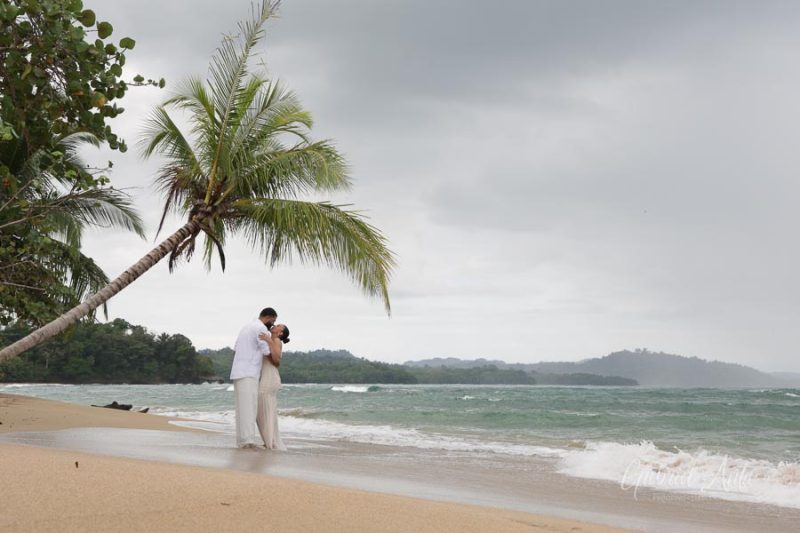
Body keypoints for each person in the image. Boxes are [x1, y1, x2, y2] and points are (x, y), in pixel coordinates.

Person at [229, 307, 277, 449]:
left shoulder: (246, 327)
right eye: (273, 321)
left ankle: (242, 440)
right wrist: (271, 343)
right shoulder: (261, 328)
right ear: (268, 317)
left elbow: (236, 347)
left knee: (242, 408)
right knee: (250, 407)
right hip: (249, 372)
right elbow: (267, 352)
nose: (272, 324)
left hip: (239, 371)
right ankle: (248, 441)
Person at [257, 324, 290, 450]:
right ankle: (268, 440)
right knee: (265, 409)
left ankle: (269, 442)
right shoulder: (273, 339)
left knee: (265, 409)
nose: (274, 326)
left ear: (280, 333)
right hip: (268, 376)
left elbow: (276, 360)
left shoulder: (276, 340)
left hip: (270, 377)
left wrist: (268, 340)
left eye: (278, 326)